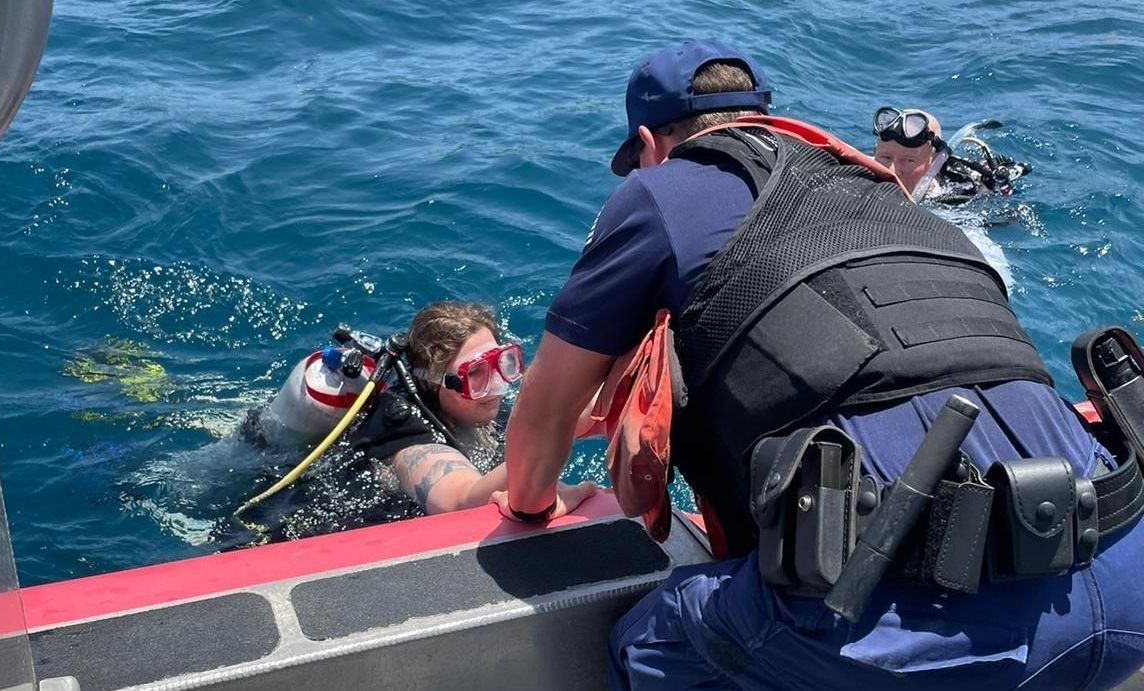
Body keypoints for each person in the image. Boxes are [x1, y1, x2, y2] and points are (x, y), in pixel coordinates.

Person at [500, 40, 1144, 690]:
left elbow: (543, 413)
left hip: (939, 637)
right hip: (1125, 567)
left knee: (651, 643)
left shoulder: (658, 191)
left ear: (649, 142)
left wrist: (533, 503)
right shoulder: (881, 190)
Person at [269, 301, 595, 540]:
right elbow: (461, 499)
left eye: (503, 363)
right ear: (435, 382)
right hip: (296, 532)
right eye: (476, 375)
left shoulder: (475, 406)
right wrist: (557, 429)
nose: (497, 385)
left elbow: (587, 410)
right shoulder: (409, 441)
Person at [873, 106, 1032, 205]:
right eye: (886, 158)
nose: (892, 170)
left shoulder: (956, 191)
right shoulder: (857, 173)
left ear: (934, 162)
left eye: (908, 161)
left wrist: (996, 189)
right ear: (875, 151)